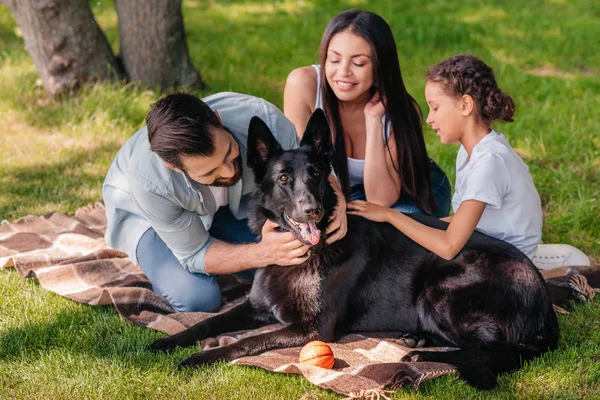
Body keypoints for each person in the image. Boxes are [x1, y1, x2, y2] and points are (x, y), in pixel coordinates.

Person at [103, 92, 347, 313]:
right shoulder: (151, 183)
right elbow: (195, 253)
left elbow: (308, 165)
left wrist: (340, 201)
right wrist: (262, 253)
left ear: (218, 120)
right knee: (197, 299)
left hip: (231, 206)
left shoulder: (265, 119)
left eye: (229, 152)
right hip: (148, 217)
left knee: (300, 259)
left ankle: (223, 233)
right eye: (210, 172)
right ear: (174, 167)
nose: (229, 171)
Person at [348, 54, 590, 269]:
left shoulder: (489, 162)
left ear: (465, 105)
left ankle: (556, 279)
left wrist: (391, 216)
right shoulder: (471, 150)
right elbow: (464, 220)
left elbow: (449, 246)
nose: (430, 119)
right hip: (488, 245)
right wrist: (403, 227)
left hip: (508, 266)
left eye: (434, 108)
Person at [284, 9, 451, 217]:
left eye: (358, 63)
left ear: (380, 66)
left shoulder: (401, 110)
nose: (343, 72)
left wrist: (374, 120)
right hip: (344, 190)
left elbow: (380, 201)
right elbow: (299, 166)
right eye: (334, 60)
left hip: (411, 190)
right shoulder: (303, 84)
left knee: (393, 232)